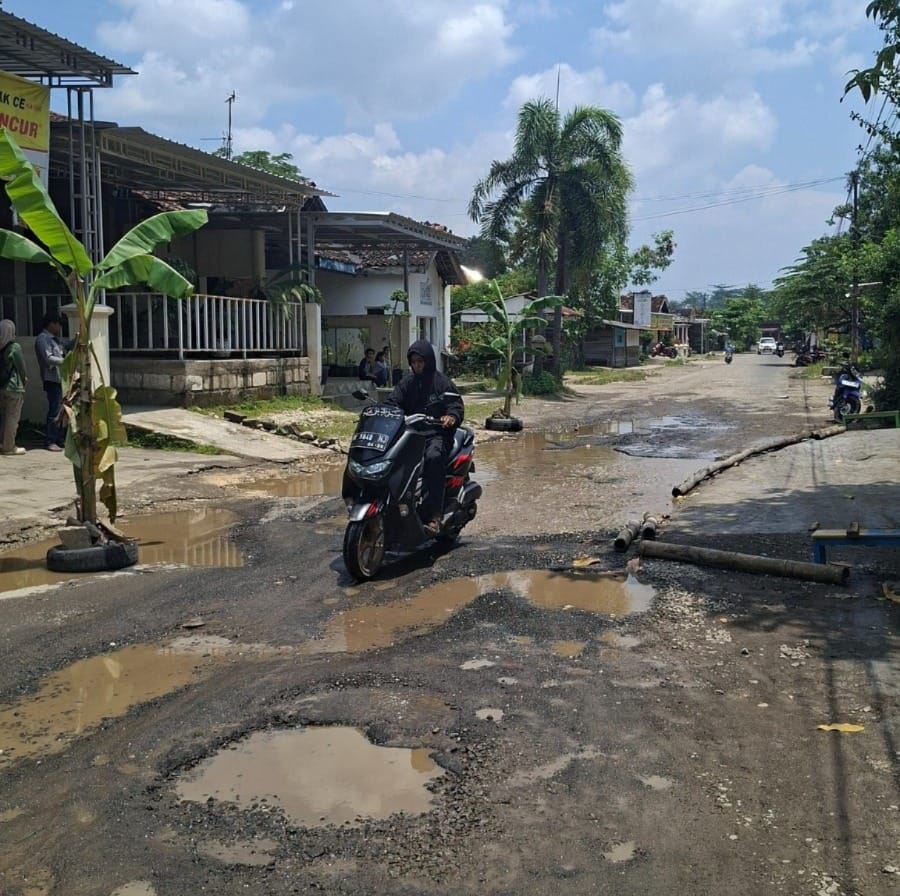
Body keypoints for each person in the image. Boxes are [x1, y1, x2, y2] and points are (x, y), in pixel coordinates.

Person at [385, 339, 464, 535]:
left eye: (420, 361)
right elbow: (392, 401)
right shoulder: (407, 382)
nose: (417, 365)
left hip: (436, 434)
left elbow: (456, 405)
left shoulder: (441, 382)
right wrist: (385, 411)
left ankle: (434, 516)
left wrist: (451, 416)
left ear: (428, 361)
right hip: (410, 434)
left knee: (433, 458)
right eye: (414, 362)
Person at [34, 310, 67, 451]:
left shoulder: (54, 339)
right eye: (58, 324)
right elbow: (49, 359)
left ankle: (60, 439)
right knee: (54, 410)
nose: (59, 328)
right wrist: (65, 361)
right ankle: (50, 440)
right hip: (52, 379)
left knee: (62, 411)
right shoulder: (43, 339)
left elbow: (63, 349)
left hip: (60, 379)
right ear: (52, 324)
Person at [0, 319, 28, 456]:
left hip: (1, 386)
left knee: (3, 416)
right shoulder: (14, 347)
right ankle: (9, 447)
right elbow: (21, 368)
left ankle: (3, 443)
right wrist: (24, 380)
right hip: (13, 386)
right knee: (12, 417)